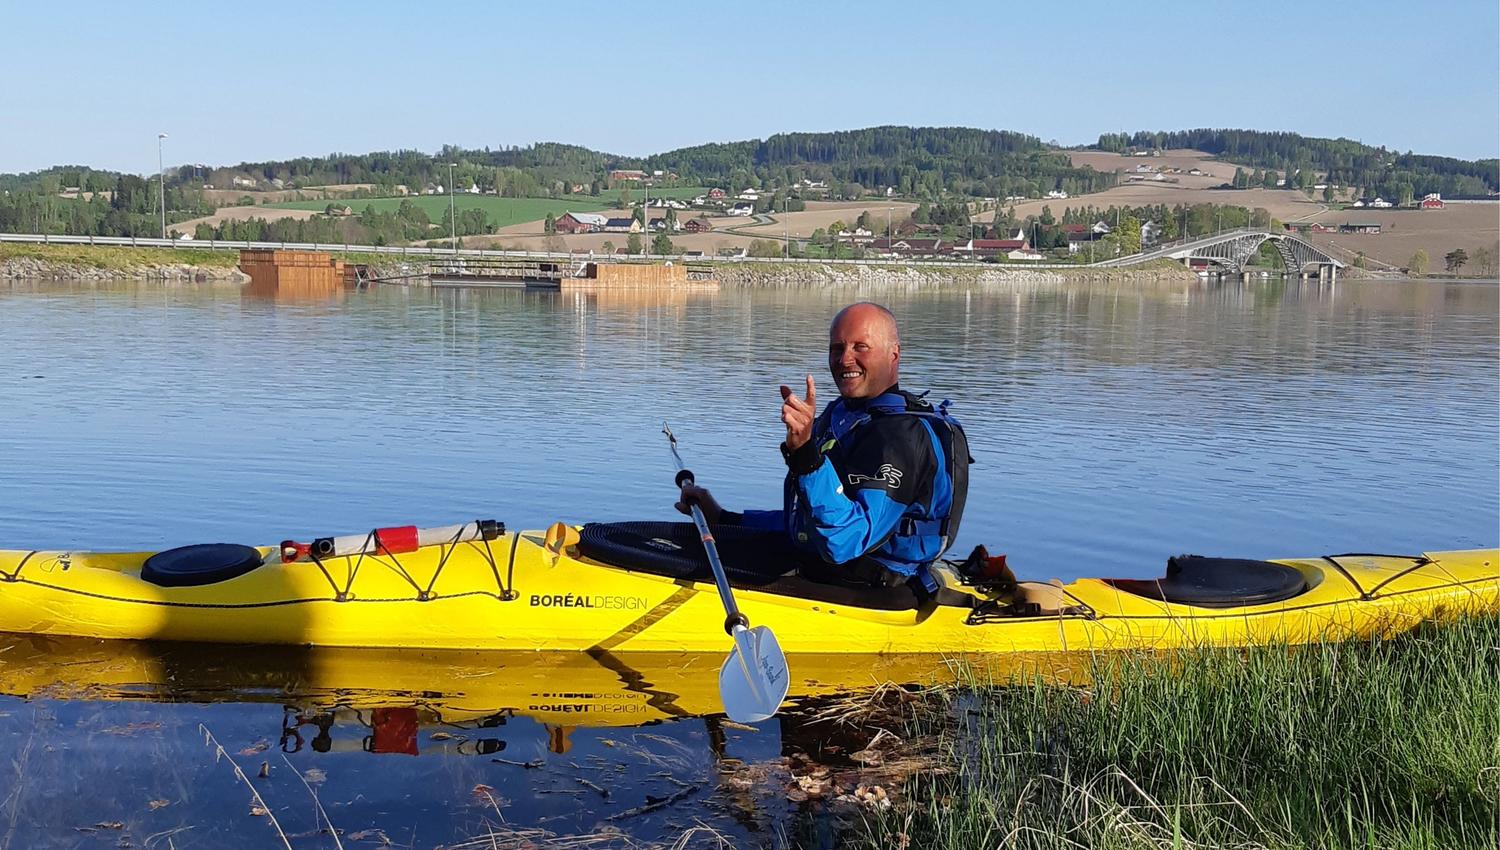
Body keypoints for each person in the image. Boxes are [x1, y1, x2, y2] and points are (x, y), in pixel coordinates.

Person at [676, 302, 970, 603]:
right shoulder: (841, 416)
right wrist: (726, 518)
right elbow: (807, 522)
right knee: (655, 541)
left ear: (894, 353)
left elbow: (843, 542)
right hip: (822, 567)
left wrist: (806, 457)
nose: (845, 359)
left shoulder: (901, 438)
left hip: (873, 587)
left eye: (861, 347)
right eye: (837, 348)